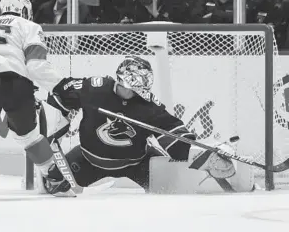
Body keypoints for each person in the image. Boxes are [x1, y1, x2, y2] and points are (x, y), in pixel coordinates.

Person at [46, 56, 236, 192]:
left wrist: (204, 154)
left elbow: (176, 139)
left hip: (137, 163)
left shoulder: (149, 106)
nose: (136, 91)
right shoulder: (95, 88)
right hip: (88, 159)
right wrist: (62, 116)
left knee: (172, 189)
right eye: (133, 85)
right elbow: (60, 93)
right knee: (52, 185)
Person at [0, 0, 73, 197]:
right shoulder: (29, 26)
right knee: (28, 136)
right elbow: (36, 65)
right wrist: (61, 85)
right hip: (15, 81)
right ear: (24, 9)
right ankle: (54, 177)